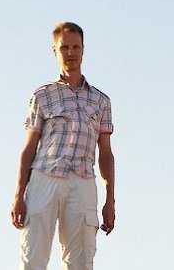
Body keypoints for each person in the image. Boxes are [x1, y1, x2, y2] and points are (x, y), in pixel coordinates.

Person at [11, 22, 115, 270]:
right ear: (55, 51)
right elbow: (29, 149)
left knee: (80, 260)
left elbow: (106, 154)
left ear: (83, 50)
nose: (70, 53)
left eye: (75, 47)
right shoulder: (42, 96)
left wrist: (110, 200)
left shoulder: (101, 101)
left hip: (82, 181)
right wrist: (18, 194)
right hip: (44, 179)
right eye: (64, 47)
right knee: (33, 258)